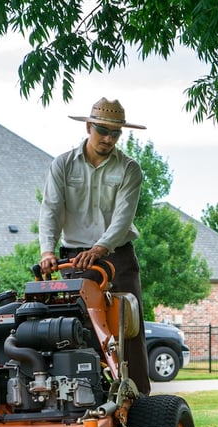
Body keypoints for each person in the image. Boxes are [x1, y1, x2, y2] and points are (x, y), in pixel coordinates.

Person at [38, 97, 151, 395]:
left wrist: (101, 248)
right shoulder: (61, 165)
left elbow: (123, 218)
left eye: (115, 133)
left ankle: (139, 399)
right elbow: (51, 209)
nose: (108, 138)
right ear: (89, 127)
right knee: (76, 330)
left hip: (117, 258)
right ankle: (84, 395)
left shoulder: (129, 169)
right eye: (102, 130)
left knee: (129, 328)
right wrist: (47, 251)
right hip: (75, 261)